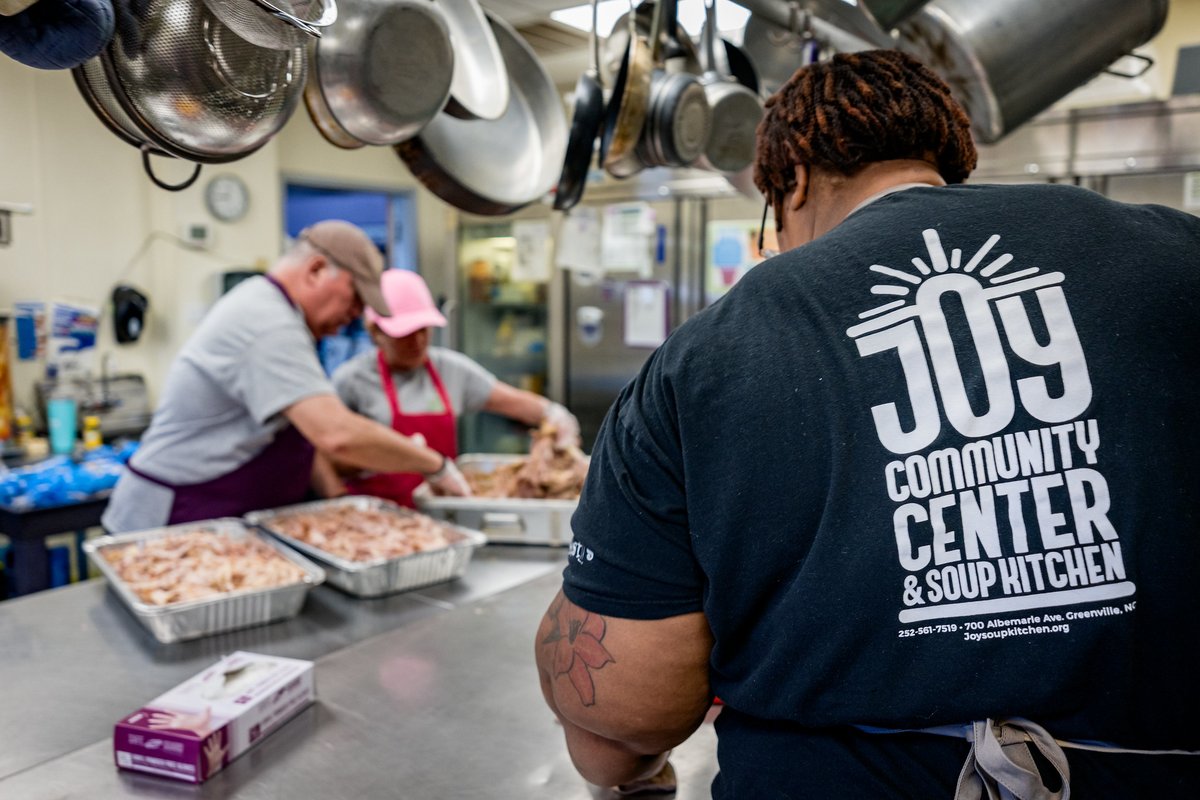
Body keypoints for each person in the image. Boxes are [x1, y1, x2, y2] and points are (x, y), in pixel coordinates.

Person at [534, 49, 1200, 798]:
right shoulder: (1178, 258)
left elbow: (624, 711)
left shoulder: (706, 355)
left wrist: (631, 765)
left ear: (790, 182)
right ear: (948, 165)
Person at [103, 220, 470, 533]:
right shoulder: (268, 322)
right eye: (355, 298)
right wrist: (435, 466)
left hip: (220, 513)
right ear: (315, 270)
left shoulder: (285, 319)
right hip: (173, 517)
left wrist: (336, 499)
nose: (356, 315)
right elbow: (335, 433)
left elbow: (296, 438)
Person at [330, 268, 579, 508]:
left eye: (423, 330)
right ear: (375, 332)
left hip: (443, 510)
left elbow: (515, 403)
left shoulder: (450, 370)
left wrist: (554, 415)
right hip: (378, 519)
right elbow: (329, 460)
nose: (417, 341)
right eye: (405, 333)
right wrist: (383, 457)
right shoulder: (351, 381)